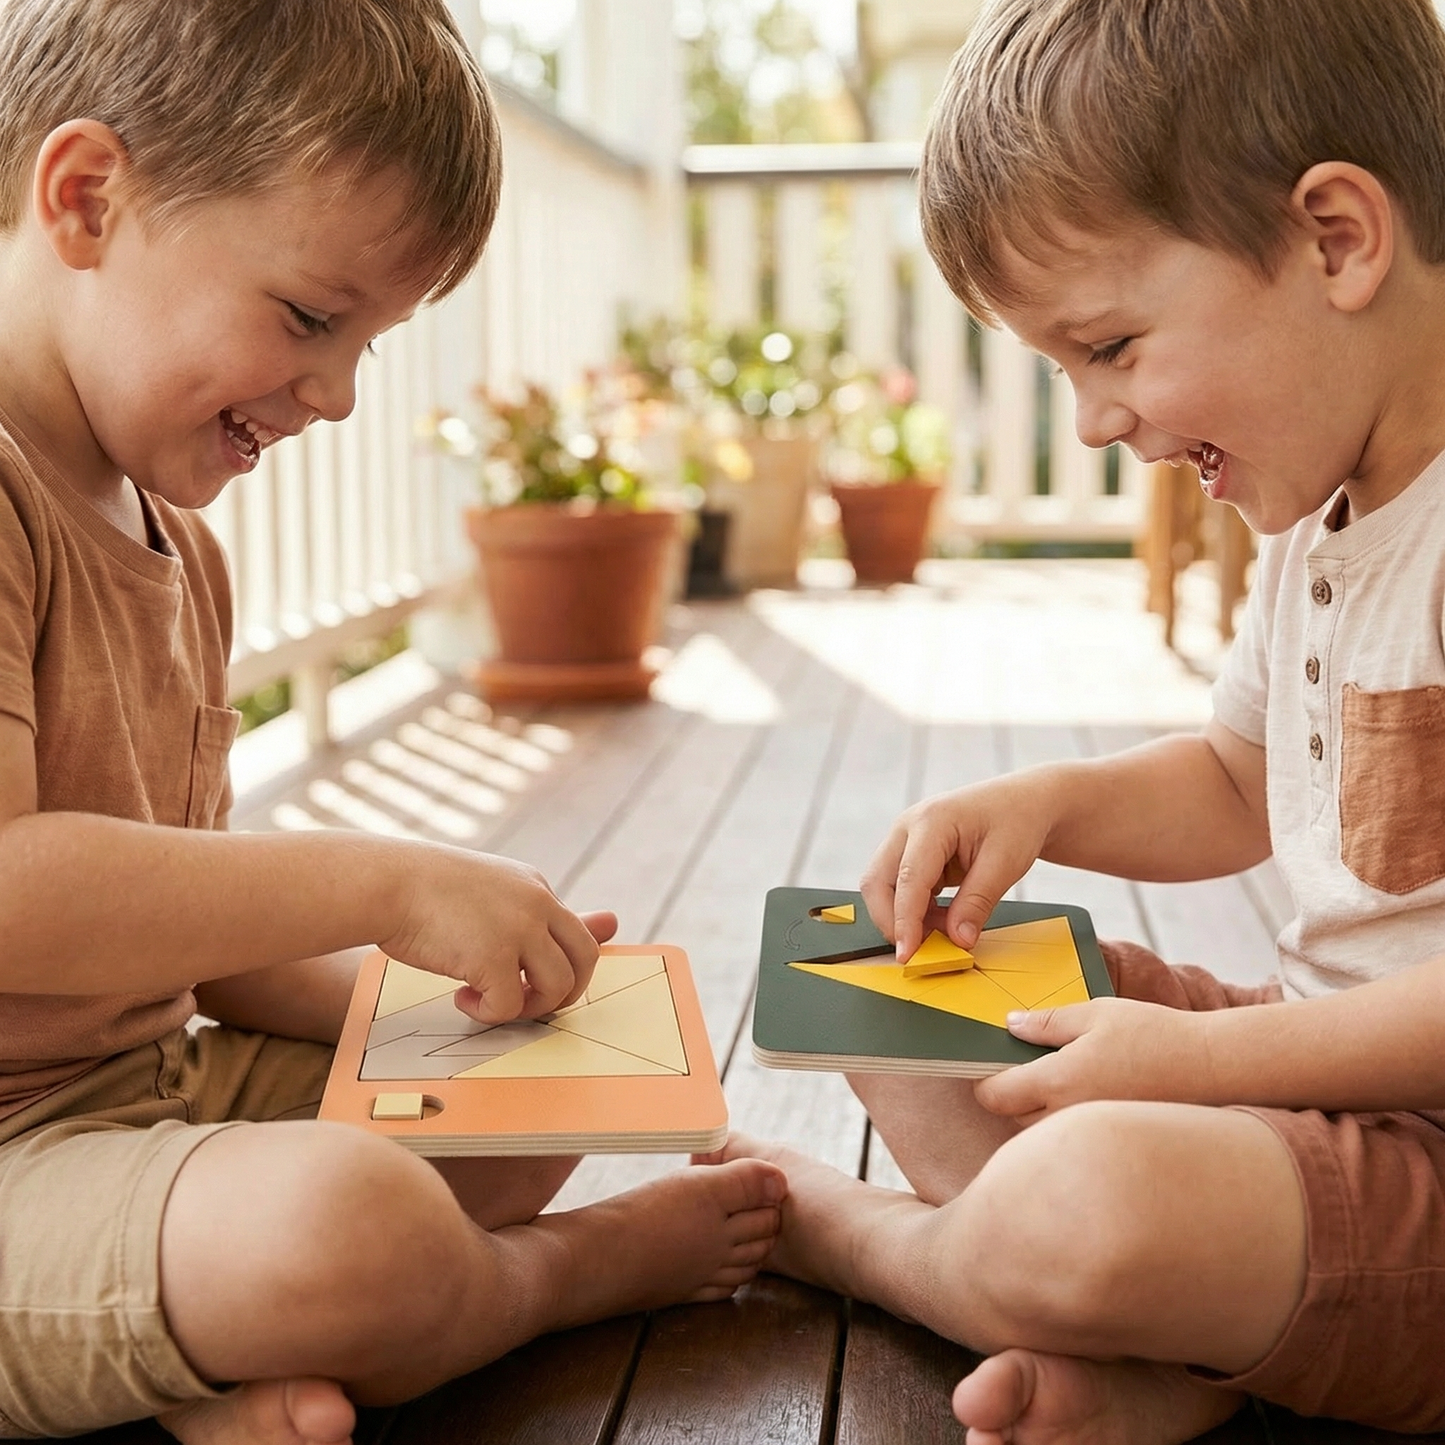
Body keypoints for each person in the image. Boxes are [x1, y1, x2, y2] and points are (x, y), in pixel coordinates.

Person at [0, 2, 785, 1440]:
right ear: (89, 199)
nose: (340, 393)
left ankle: (193, 1358)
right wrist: (388, 879)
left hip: (144, 1095)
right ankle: (542, 1284)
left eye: (368, 340)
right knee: (343, 1229)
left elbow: (194, 945)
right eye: (310, 318)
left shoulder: (179, 540)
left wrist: (440, 1007)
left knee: (536, 1097)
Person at [714, 0, 1445, 1439]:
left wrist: (1202, 1070)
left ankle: (886, 1250)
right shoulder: (1328, 504)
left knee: (1088, 1194)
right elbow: (1239, 780)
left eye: (1109, 344)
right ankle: (1176, 1350)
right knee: (884, 973)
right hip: (1318, 1067)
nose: (1097, 419)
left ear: (1335, 240)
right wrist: (1048, 802)